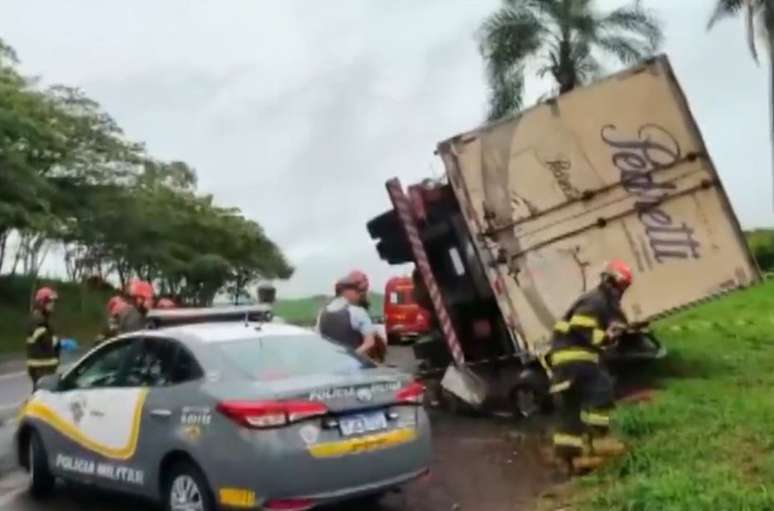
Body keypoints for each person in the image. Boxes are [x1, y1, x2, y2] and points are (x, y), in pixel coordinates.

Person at [548, 259, 632, 473]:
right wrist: (606, 336)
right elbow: (581, 327)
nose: (621, 291)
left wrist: (618, 329)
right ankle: (599, 441)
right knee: (601, 388)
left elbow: (615, 321)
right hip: (575, 358)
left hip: (564, 362)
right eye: (620, 286)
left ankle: (569, 460)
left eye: (624, 287)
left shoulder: (600, 301)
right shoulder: (596, 301)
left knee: (570, 410)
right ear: (609, 281)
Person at [317, 271, 379, 359]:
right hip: (352, 364)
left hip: (329, 362)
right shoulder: (357, 312)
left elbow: (318, 339)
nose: (360, 295)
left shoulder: (322, 313)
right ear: (348, 291)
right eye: (358, 291)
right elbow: (370, 343)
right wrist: (350, 357)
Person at [26, 287, 60, 390]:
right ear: (42, 303)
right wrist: (58, 342)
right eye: (50, 301)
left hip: (44, 369)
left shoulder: (42, 319)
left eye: (53, 302)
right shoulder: (38, 320)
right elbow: (46, 341)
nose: (53, 304)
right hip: (41, 369)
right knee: (42, 396)